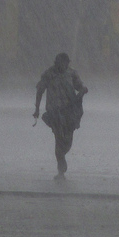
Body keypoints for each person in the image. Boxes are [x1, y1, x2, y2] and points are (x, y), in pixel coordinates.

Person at [33, 52, 88, 180]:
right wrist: (36, 108)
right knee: (59, 138)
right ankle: (61, 168)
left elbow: (79, 86)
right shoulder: (49, 74)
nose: (63, 66)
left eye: (65, 63)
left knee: (67, 140)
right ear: (56, 63)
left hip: (69, 111)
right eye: (61, 63)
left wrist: (83, 90)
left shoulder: (72, 73)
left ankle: (61, 156)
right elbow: (40, 90)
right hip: (55, 112)